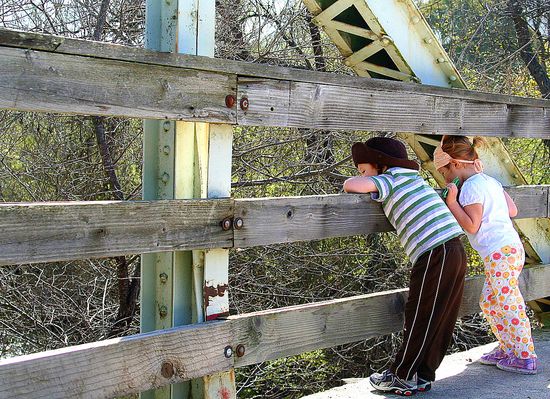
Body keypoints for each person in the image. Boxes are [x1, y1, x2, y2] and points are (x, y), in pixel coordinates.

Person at [344, 136, 466, 396]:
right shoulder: (414, 180)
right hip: (454, 248)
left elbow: (351, 186)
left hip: (434, 251)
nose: (361, 174)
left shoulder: (390, 180)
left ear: (380, 164)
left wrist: (363, 179)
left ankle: (401, 374)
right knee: (441, 315)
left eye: (364, 168)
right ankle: (423, 374)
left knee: (421, 313)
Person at [434, 135, 537, 375]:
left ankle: (524, 356)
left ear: (456, 164)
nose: (445, 178)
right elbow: (512, 210)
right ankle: (507, 348)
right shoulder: (490, 181)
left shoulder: (470, 187)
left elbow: (471, 225)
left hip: (498, 251)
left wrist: (452, 203)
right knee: (490, 302)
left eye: (444, 172)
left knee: (507, 301)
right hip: (510, 248)